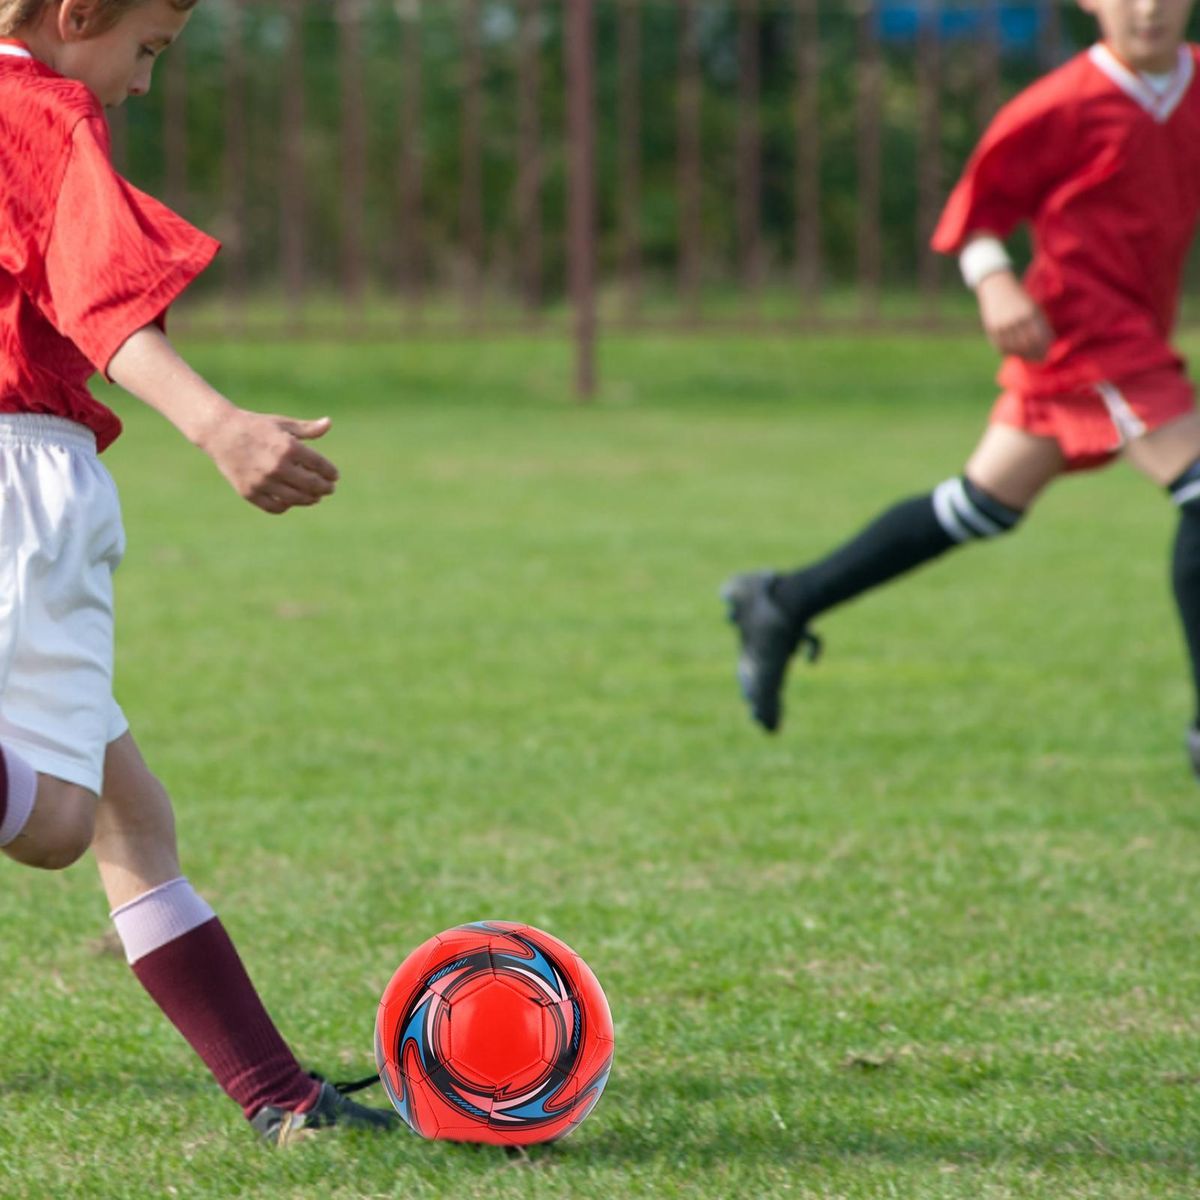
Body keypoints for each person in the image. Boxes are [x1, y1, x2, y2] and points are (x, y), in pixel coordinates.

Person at [0, 0, 397, 1144]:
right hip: (20, 476)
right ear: (78, 14)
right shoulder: (41, 112)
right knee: (57, 822)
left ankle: (281, 1100)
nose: (143, 83)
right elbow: (99, 295)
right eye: (147, 49)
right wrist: (217, 422)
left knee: (133, 816)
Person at [722, 0, 1200, 773]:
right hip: (1082, 333)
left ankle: (782, 601)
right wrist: (995, 284)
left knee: (981, 506)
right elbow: (978, 212)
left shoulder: (1192, 87)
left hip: (1132, 332)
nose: (1148, 9)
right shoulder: (1060, 104)